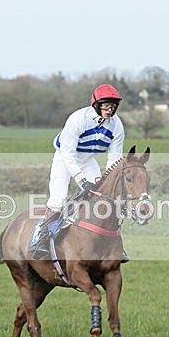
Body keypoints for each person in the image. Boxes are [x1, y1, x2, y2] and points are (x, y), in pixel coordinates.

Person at [29, 84, 125, 256]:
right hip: (65, 158)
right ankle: (40, 239)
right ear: (96, 104)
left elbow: (115, 158)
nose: (110, 109)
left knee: (103, 197)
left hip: (87, 160)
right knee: (58, 200)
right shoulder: (78, 119)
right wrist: (82, 180)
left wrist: (108, 180)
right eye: (106, 105)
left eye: (113, 106)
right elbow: (68, 154)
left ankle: (110, 244)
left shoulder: (116, 125)